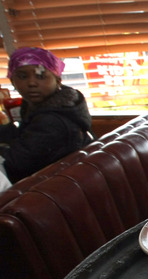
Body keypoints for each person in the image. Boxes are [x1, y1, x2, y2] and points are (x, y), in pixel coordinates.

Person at [0, 47, 92, 183]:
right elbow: (22, 134)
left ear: (57, 80)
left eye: (41, 76)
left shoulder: (53, 120)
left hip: (65, 185)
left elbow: (16, 163)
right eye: (22, 76)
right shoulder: (38, 105)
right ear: (13, 81)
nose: (32, 83)